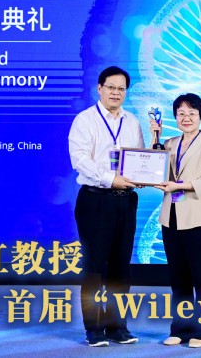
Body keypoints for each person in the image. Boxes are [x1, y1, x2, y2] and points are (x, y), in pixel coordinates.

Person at [67, 66, 143, 347]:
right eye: (111, 87)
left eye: (121, 89)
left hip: (126, 201)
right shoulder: (85, 120)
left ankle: (117, 326)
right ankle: (94, 329)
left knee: (121, 268)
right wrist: (111, 179)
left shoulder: (132, 121)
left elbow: (139, 156)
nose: (116, 93)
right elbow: (80, 159)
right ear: (99, 88)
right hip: (95, 200)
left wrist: (144, 176)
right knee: (95, 266)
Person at [150, 93, 201, 348]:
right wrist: (155, 137)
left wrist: (178, 185)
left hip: (199, 220)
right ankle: (180, 329)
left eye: (192, 113)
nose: (186, 118)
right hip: (171, 219)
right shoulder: (169, 142)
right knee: (178, 279)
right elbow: (155, 168)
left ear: (200, 116)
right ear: (175, 117)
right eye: (181, 113)